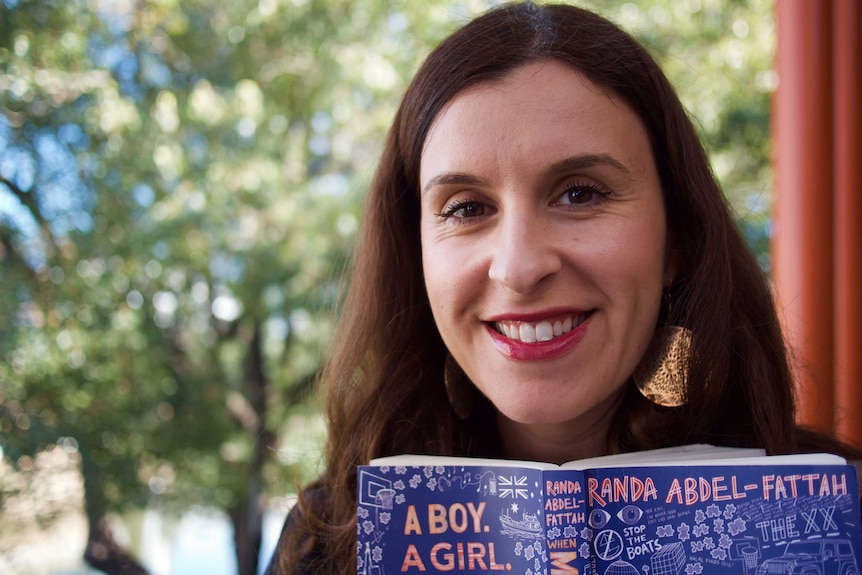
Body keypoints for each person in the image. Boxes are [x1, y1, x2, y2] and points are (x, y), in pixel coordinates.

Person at [265, 3, 860, 574]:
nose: (519, 268)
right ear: (415, 253)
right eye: (467, 207)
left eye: (581, 193)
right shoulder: (325, 543)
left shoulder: (840, 516)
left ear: (676, 238)